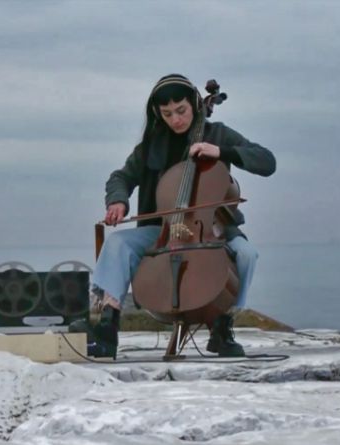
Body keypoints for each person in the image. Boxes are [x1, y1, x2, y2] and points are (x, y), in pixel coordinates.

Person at [74, 74, 276, 358]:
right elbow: (120, 177)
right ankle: (108, 326)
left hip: (212, 231)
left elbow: (267, 162)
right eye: (167, 114)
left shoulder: (217, 133)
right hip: (163, 230)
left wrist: (220, 151)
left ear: (194, 105)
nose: (176, 120)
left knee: (246, 254)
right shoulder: (150, 146)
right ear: (158, 114)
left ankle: (223, 324)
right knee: (118, 242)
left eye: (181, 110)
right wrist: (118, 201)